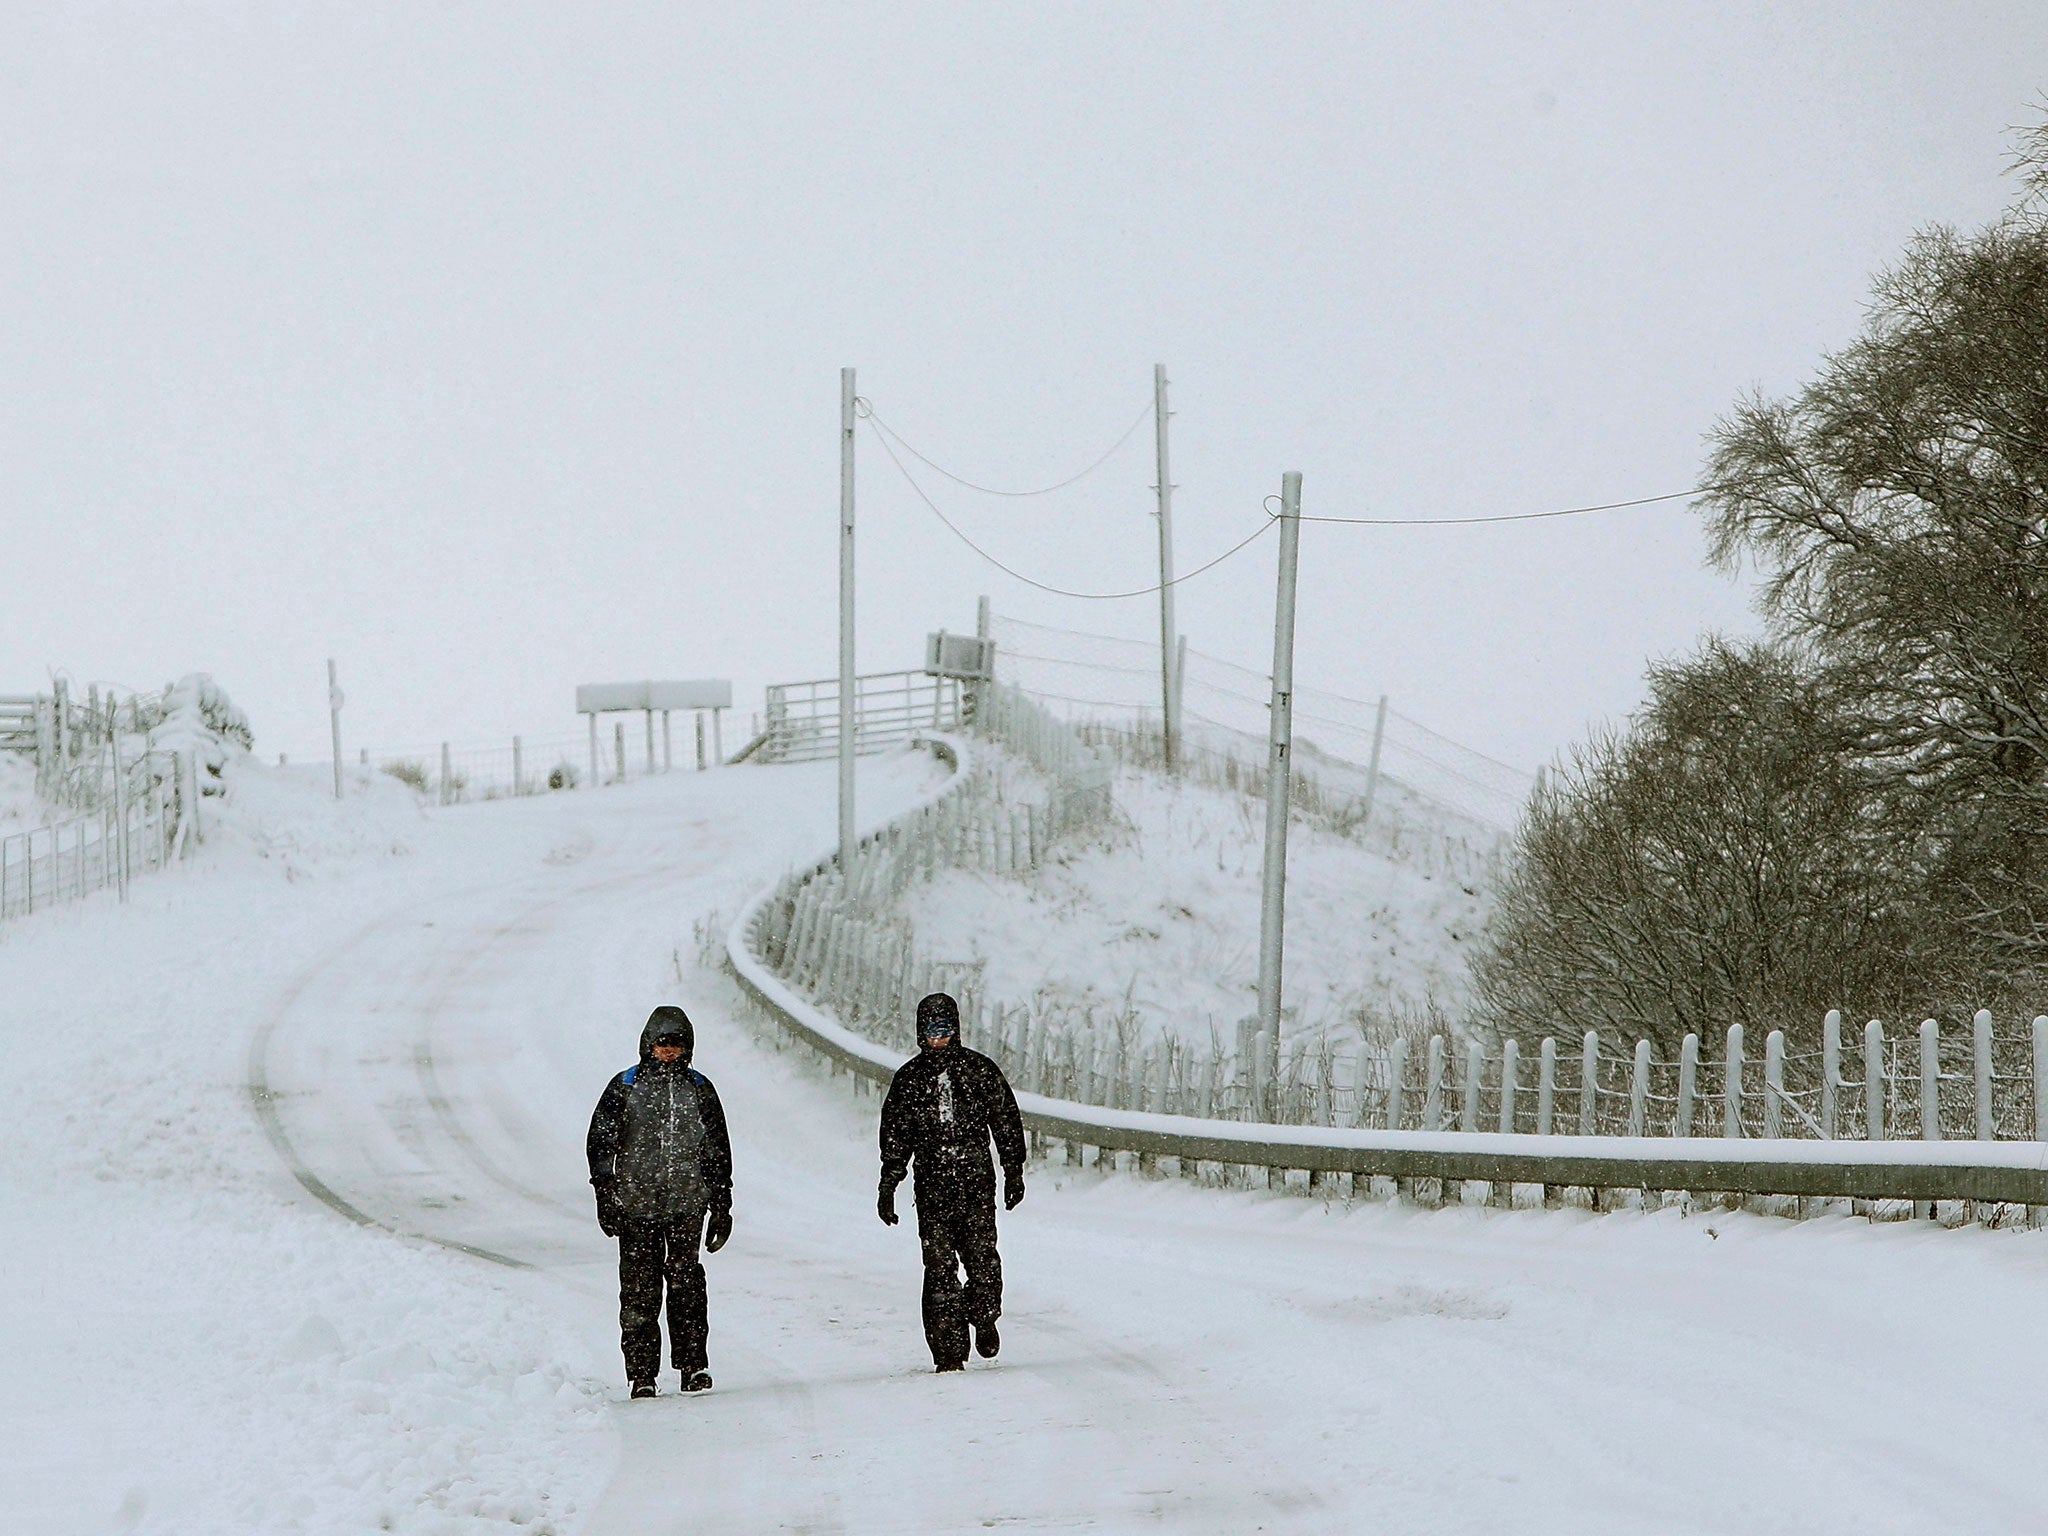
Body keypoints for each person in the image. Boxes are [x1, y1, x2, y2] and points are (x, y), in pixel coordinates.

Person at [586, 1005, 733, 1399]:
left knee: (687, 1285)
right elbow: (600, 1143)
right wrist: (605, 1192)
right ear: (648, 1045)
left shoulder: (700, 1088)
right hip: (636, 1205)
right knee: (639, 1290)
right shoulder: (625, 1086)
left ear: (688, 1047)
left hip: (687, 1203)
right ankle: (641, 1373)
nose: (668, 1051)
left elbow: (717, 1150)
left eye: (676, 1044)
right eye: (662, 1043)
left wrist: (722, 1203)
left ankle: (694, 1365)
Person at [877, 992, 1027, 1372]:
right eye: (931, 1032)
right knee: (939, 1267)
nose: (938, 1039)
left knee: (982, 1260)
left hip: (975, 1179)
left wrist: (1013, 1170)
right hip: (932, 1184)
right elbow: (895, 1135)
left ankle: (984, 1316)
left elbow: (1005, 1120)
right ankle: (947, 1349)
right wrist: (889, 1182)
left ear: (956, 1031)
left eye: (944, 1031)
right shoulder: (909, 1080)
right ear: (919, 1034)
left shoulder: (979, 1070)